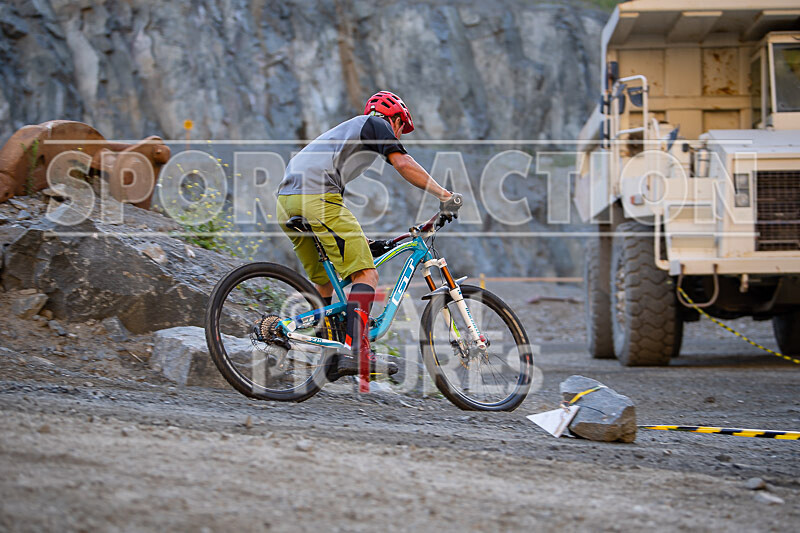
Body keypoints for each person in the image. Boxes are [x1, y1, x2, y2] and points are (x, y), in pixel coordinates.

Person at [276, 90, 461, 378]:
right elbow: (403, 163)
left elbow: (336, 211)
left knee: (326, 284)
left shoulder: (345, 139)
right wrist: (444, 195)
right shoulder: (376, 124)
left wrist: (366, 244)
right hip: (317, 198)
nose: (399, 134)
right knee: (367, 276)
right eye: (401, 128)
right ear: (395, 120)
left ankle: (324, 352)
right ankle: (359, 353)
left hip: (286, 201)